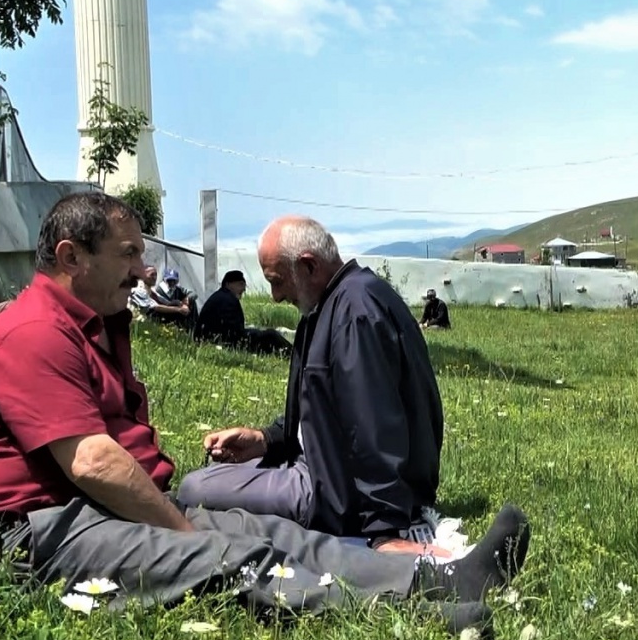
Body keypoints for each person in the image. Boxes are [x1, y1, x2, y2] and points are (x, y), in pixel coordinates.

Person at [0, 192, 527, 632]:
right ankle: (413, 617)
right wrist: (180, 530)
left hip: (95, 512)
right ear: (72, 257)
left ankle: (442, 576)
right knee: (231, 555)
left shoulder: (83, 328)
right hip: (41, 531)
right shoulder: (31, 332)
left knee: (268, 530)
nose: (143, 272)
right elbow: (92, 462)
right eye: (128, 255)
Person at [179, 216, 445, 548]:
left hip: (337, 490)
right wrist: (267, 439)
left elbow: (376, 426)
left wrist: (384, 529)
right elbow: (322, 408)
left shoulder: (354, 312)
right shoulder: (335, 303)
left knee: (193, 490)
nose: (275, 297)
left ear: (308, 266)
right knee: (199, 485)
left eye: (277, 281)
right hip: (326, 465)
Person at [196, 270, 293, 356]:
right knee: (270, 335)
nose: (244, 289)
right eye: (241, 284)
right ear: (228, 284)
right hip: (221, 342)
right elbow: (233, 332)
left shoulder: (222, 296)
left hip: (214, 340)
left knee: (262, 333)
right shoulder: (227, 300)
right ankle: (292, 354)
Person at [129, 265, 193, 330]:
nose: (155, 277)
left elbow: (164, 301)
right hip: (142, 319)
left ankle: (189, 330)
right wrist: (179, 309)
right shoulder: (139, 289)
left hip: (153, 316)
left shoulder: (151, 289)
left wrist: (180, 304)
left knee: (187, 304)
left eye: (156, 275)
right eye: (152, 275)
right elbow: (155, 307)